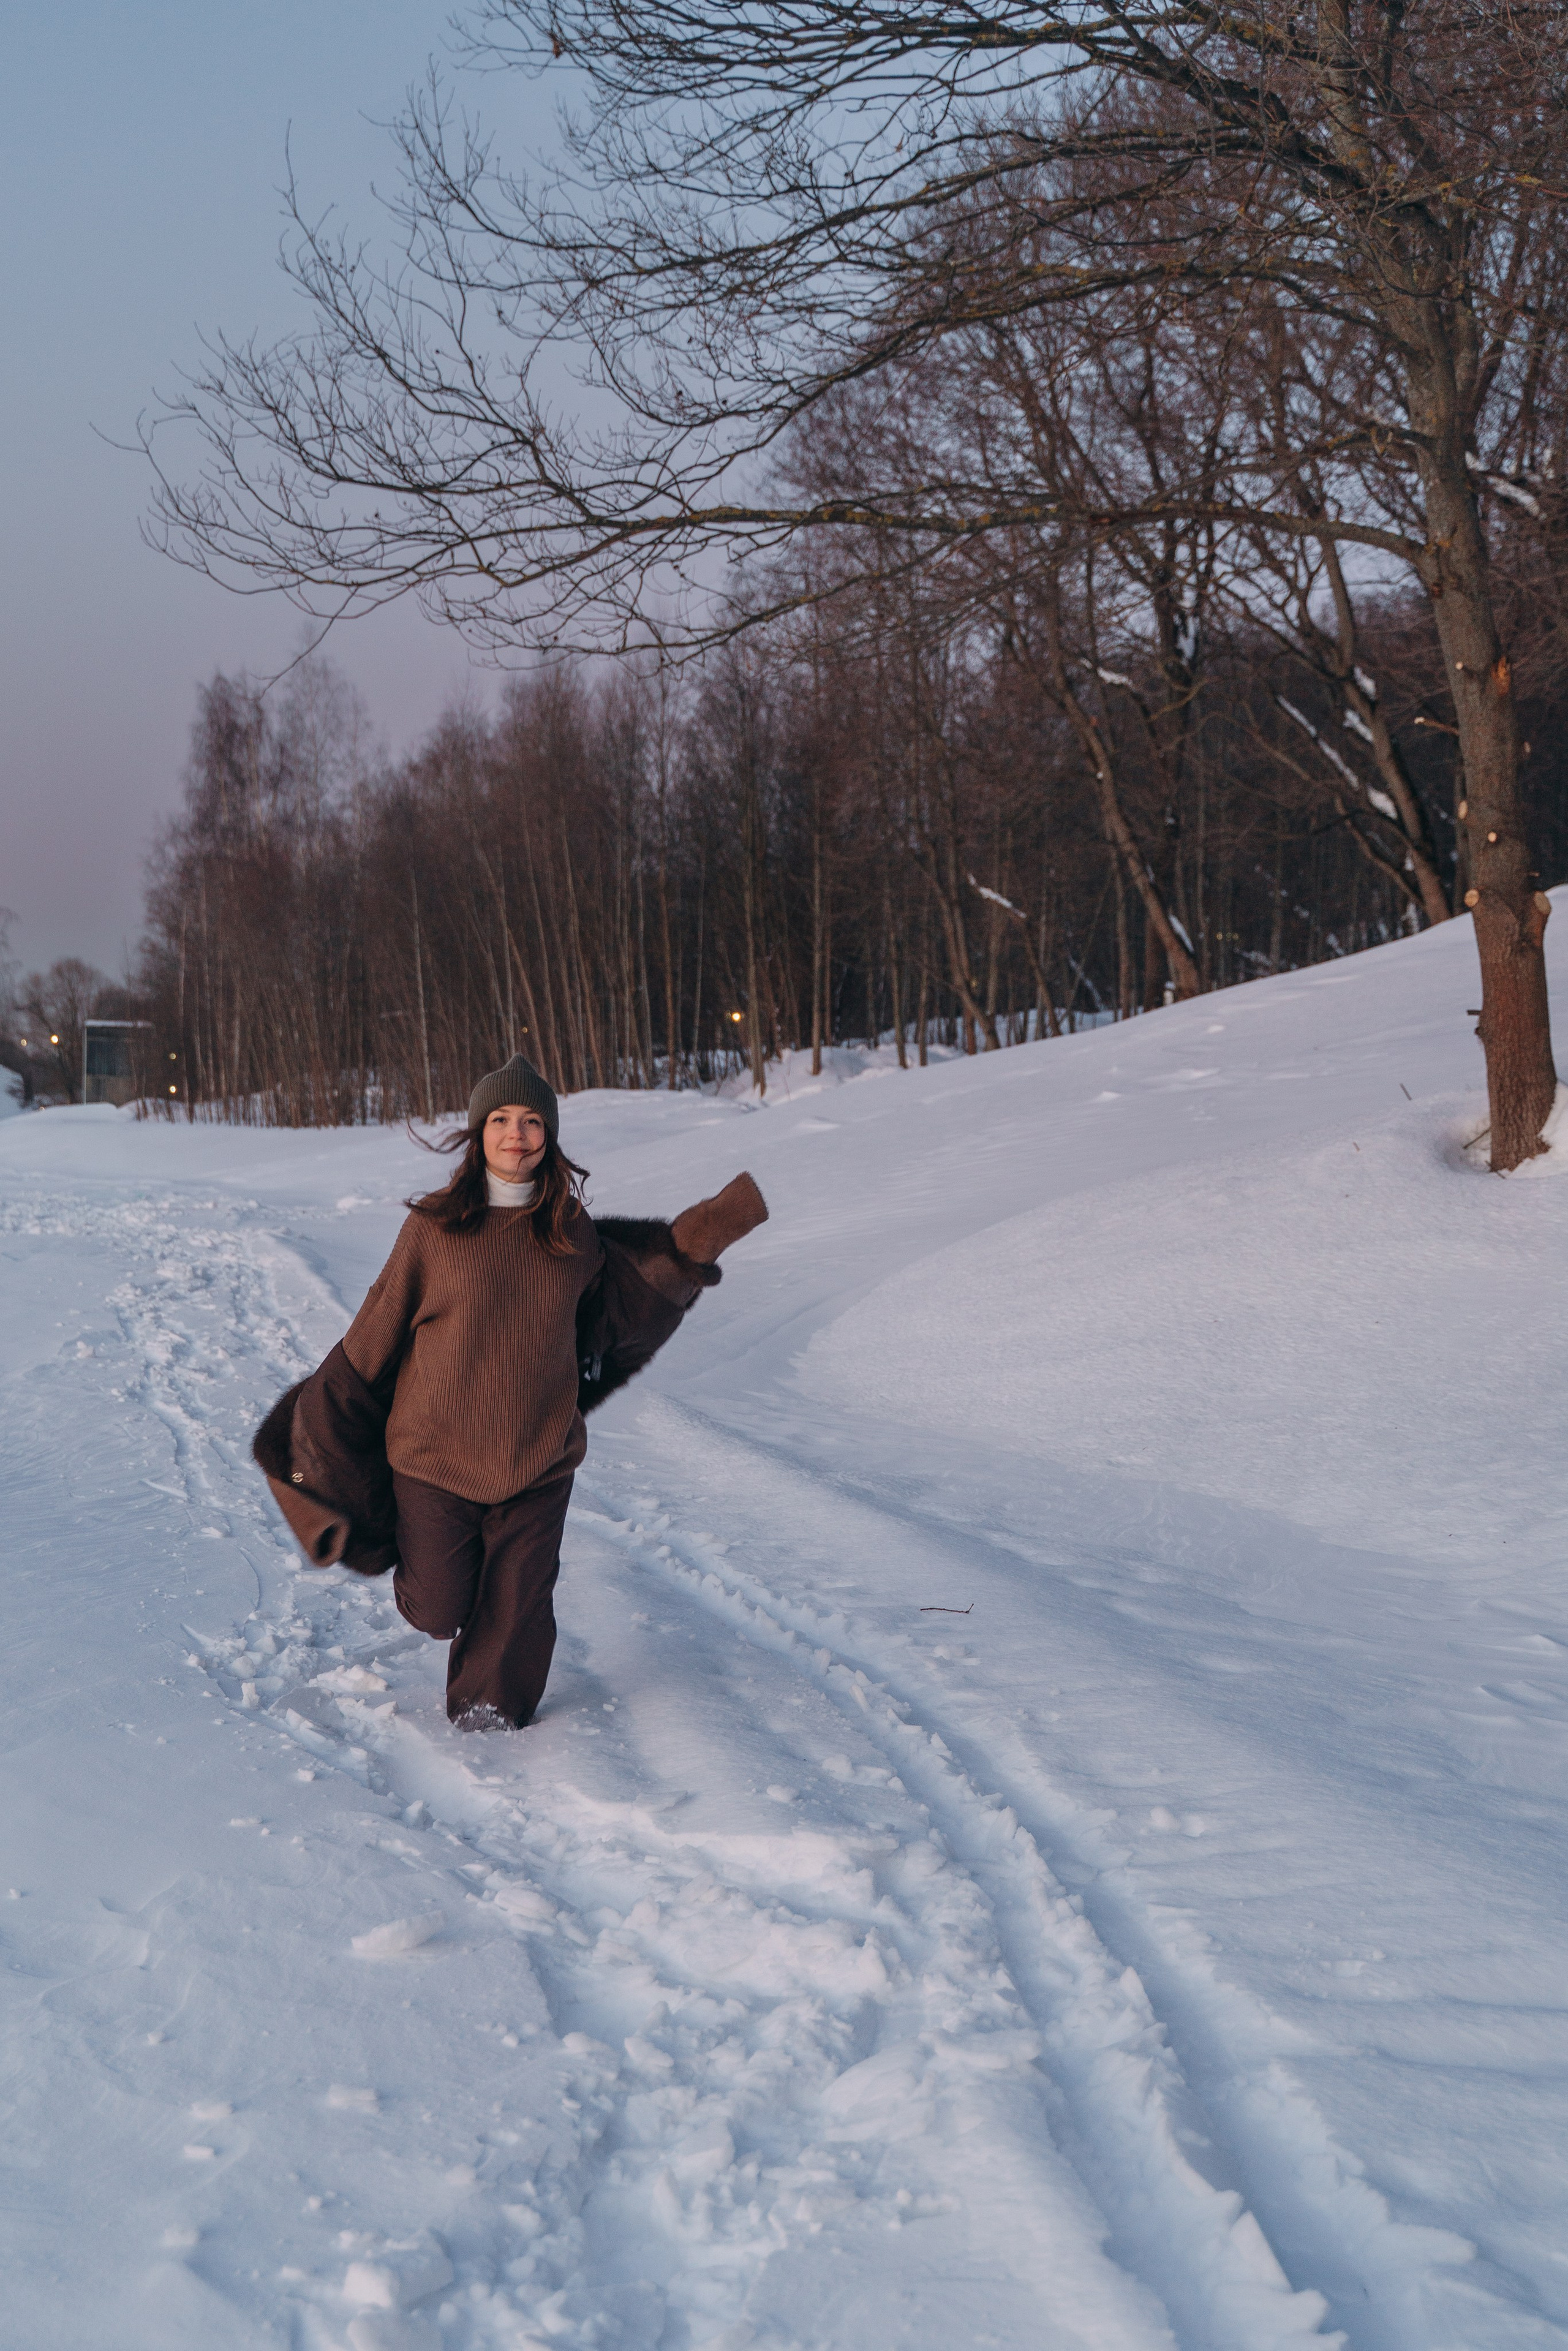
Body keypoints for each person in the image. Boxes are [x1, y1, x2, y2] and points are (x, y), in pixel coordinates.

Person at [254, 1053, 766, 1729]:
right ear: (478, 1132)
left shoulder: (570, 1231)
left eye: (531, 1121)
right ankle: (434, 1584)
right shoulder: (434, 1228)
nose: (516, 1135)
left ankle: (490, 1717)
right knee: (438, 1607)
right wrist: (310, 1439)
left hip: (538, 1457)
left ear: (548, 1135)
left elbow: (613, 1314)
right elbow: (373, 1336)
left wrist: (691, 1248)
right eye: (500, 1119)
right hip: (433, 1458)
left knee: (517, 1606)